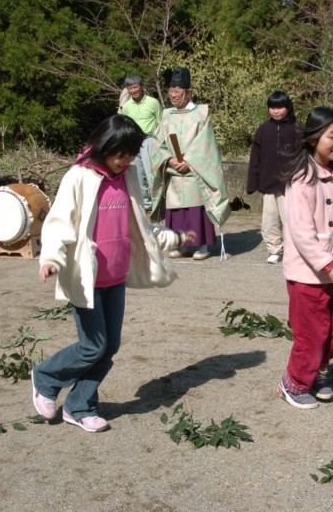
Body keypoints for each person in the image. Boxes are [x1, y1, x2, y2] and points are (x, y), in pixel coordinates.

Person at [31, 115, 194, 433]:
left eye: (131, 156)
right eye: (120, 155)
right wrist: (50, 257)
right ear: (104, 147)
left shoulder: (127, 177)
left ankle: (80, 405)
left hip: (115, 278)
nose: (125, 162)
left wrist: (174, 237)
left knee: (110, 347)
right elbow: (58, 221)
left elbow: (141, 228)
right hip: (86, 279)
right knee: (92, 346)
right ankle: (46, 377)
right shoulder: (79, 176)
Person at [276, 107, 333, 410]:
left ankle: (315, 370)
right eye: (331, 136)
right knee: (312, 335)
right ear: (313, 139)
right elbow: (301, 233)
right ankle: (293, 382)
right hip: (308, 274)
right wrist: (329, 265)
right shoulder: (302, 178)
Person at [150, 66, 230, 261]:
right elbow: (157, 142)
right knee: (177, 210)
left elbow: (206, 144)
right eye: (171, 91)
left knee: (197, 209)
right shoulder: (167, 115)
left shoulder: (201, 114)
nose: (174, 95)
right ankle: (181, 245)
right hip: (173, 170)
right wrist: (169, 159)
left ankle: (202, 244)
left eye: (178, 91)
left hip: (195, 170)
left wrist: (189, 161)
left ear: (188, 92)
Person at [246, 91, 301, 264]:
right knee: (269, 220)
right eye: (272, 107)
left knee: (290, 220)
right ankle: (274, 249)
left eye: (280, 107)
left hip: (289, 184)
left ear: (288, 108)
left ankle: (295, 250)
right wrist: (253, 182)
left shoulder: (296, 129)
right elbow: (256, 157)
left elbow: (302, 156)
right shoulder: (263, 129)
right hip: (268, 182)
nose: (276, 111)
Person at [117, 74, 163, 211]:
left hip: (149, 140)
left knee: (152, 174)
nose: (133, 91)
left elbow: (161, 122)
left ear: (142, 87)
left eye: (135, 87)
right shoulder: (126, 106)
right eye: (129, 88)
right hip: (133, 142)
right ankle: (145, 204)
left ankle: (158, 203)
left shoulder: (153, 102)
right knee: (137, 174)